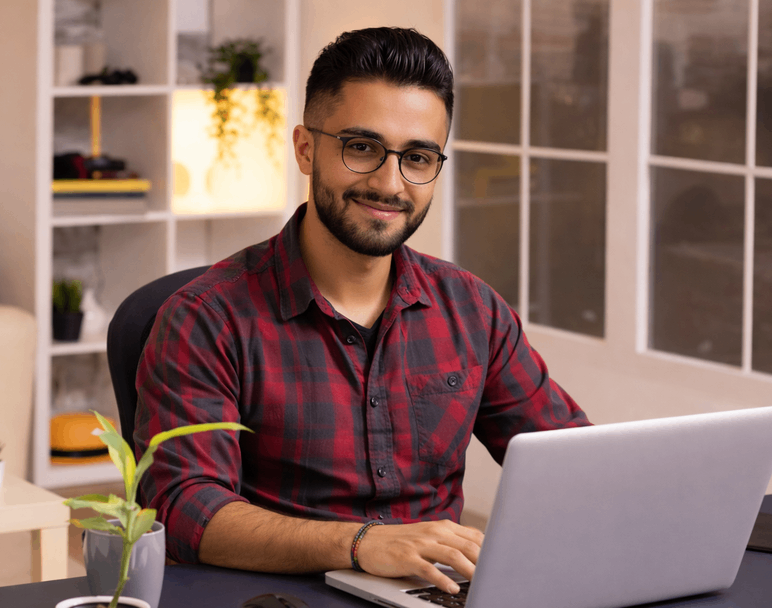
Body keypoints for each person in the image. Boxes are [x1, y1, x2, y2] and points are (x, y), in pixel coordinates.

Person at [135, 26, 590, 595]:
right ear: (306, 149)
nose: (389, 183)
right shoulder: (206, 318)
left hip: (433, 593)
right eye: (361, 147)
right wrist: (360, 543)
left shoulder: (473, 310)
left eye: (417, 157)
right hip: (276, 598)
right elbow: (181, 507)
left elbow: (573, 465)